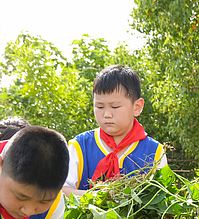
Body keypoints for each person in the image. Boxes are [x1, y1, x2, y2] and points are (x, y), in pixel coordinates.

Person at [64, 64, 166, 194]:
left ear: (137, 107)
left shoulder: (155, 152)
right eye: (100, 107)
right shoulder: (80, 146)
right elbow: (59, 191)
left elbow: (162, 202)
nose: (107, 114)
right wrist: (98, 197)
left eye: (115, 107)